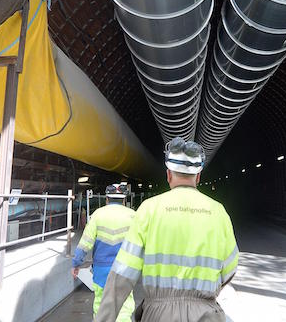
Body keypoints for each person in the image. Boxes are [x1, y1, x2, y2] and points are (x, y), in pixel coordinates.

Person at [95, 137, 239, 322]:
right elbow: (230, 267)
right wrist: (204, 295)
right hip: (205, 314)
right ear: (198, 176)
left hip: (158, 314)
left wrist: (104, 319)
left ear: (169, 175)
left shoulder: (149, 209)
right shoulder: (218, 212)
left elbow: (123, 273)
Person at [72, 183, 136, 321]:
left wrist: (76, 263)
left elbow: (85, 243)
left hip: (101, 269)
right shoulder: (133, 216)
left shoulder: (98, 215)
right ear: (124, 200)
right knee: (124, 306)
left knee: (101, 305)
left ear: (107, 199)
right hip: (125, 269)